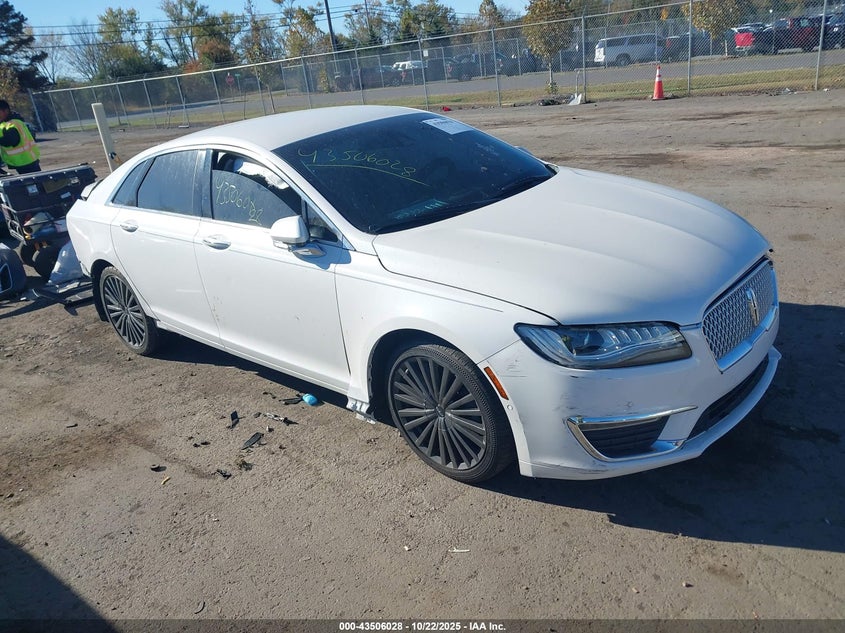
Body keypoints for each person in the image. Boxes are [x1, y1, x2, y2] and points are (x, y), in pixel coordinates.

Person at [0, 99, 40, 174]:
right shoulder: (16, 121)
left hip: (23, 161)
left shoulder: (10, 124)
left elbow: (13, 141)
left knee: (32, 182)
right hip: (29, 159)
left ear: (6, 111)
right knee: (37, 181)